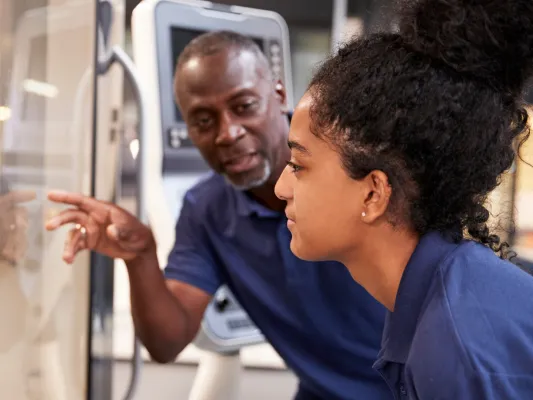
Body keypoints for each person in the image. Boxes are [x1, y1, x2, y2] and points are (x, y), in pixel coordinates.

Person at [45, 31, 390, 399]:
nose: (227, 133)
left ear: (278, 95)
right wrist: (140, 255)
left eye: (243, 106)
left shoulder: (357, 162)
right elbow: (166, 343)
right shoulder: (207, 210)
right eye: (204, 121)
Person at [274, 0, 533, 398]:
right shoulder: (439, 297)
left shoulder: (454, 350)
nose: (281, 188)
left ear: (373, 192)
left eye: (298, 165)